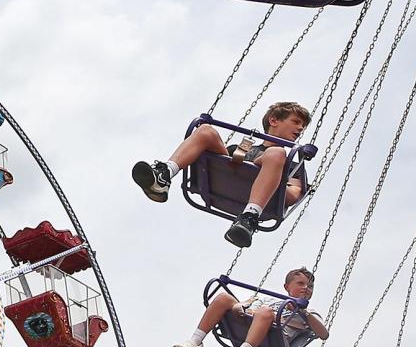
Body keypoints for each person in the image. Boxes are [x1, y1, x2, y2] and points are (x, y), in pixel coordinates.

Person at [132, 101, 311, 247]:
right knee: (205, 130)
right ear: (274, 121)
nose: (300, 128)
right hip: (221, 184)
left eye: (303, 125)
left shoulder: (293, 165)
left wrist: (274, 179)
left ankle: (249, 217)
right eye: (296, 122)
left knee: (277, 154)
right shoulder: (239, 149)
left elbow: (293, 195)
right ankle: (163, 176)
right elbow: (223, 161)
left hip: (264, 205)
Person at [171, 266, 328, 347]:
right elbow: (246, 307)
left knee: (265, 312)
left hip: (274, 340)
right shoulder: (269, 300)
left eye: (310, 286)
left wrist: (303, 312)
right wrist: (241, 308)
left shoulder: (309, 314)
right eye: (300, 283)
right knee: (223, 297)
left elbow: (323, 334)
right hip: (245, 324)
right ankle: (195, 342)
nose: (306, 288)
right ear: (287, 287)